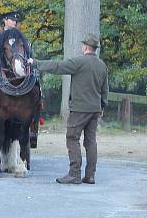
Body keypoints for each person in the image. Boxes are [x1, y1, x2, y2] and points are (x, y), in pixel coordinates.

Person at [30, 33, 108, 185]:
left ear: (85, 47)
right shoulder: (102, 66)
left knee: (72, 138)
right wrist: (102, 106)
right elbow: (105, 89)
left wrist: (36, 63)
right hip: (95, 109)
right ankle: (90, 175)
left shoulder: (79, 62)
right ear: (95, 49)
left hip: (79, 109)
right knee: (91, 142)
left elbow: (58, 67)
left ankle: (74, 174)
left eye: (82, 45)